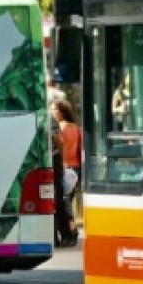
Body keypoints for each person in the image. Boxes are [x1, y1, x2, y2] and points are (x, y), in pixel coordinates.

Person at [52, 100, 82, 246]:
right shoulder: (77, 129)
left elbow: (60, 144)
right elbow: (81, 150)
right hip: (75, 169)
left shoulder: (60, 128)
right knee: (67, 204)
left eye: (54, 110)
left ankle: (71, 233)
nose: (52, 113)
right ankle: (70, 233)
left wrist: (62, 162)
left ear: (60, 112)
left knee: (63, 205)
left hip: (65, 168)